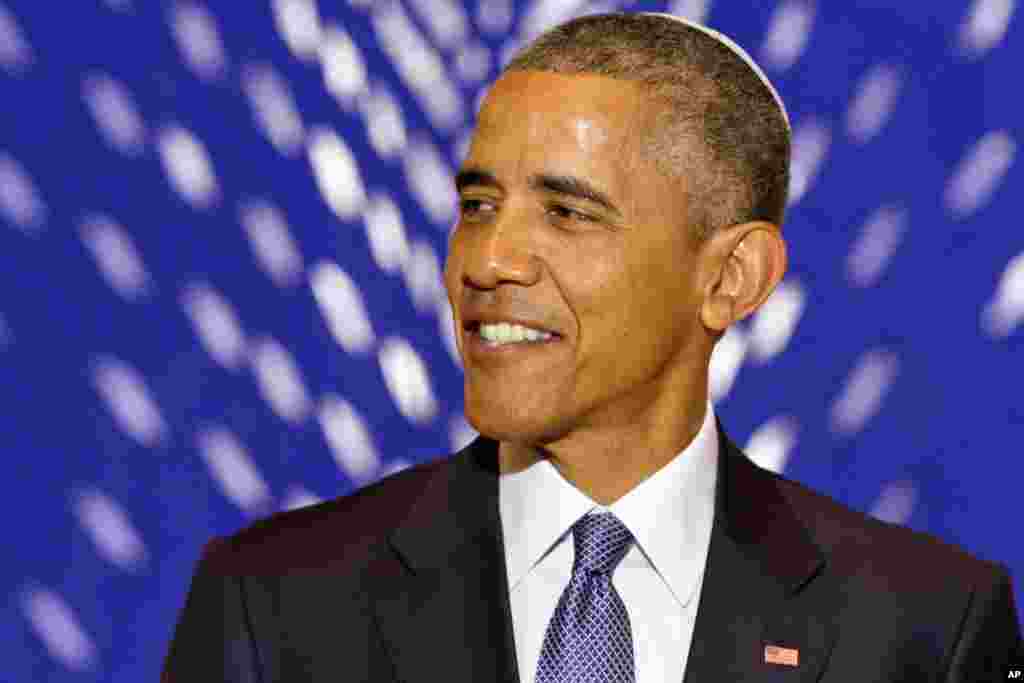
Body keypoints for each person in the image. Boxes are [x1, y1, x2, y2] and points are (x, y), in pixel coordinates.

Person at [161, 12, 1023, 682]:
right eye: (478, 206)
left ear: (732, 277)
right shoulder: (273, 604)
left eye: (567, 212)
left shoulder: (922, 627)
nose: (488, 260)